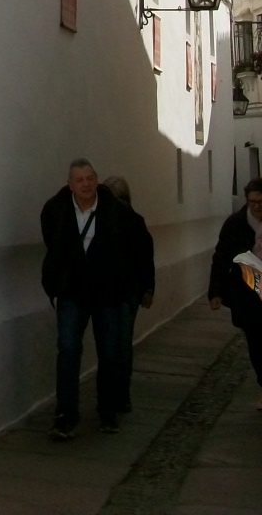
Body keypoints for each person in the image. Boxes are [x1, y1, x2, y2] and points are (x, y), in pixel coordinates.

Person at [41, 158, 133, 438]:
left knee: (109, 352)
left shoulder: (114, 210)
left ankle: (107, 411)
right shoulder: (56, 210)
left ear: (96, 179)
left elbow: (125, 245)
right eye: (79, 180)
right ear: (70, 184)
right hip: (72, 292)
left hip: (107, 292)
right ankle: (66, 414)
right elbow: (53, 244)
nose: (86, 184)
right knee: (68, 349)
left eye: (90, 178)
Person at [208, 177, 262, 409]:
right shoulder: (235, 224)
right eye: (252, 202)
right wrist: (216, 291)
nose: (257, 207)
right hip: (248, 294)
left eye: (260, 202)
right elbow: (221, 257)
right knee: (256, 342)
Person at [102, 175, 155, 412]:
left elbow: (144, 257)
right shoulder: (136, 220)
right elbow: (146, 258)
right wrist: (148, 288)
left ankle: (114, 393)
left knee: (113, 344)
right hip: (128, 290)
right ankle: (120, 393)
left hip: (117, 290)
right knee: (122, 343)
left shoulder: (110, 220)